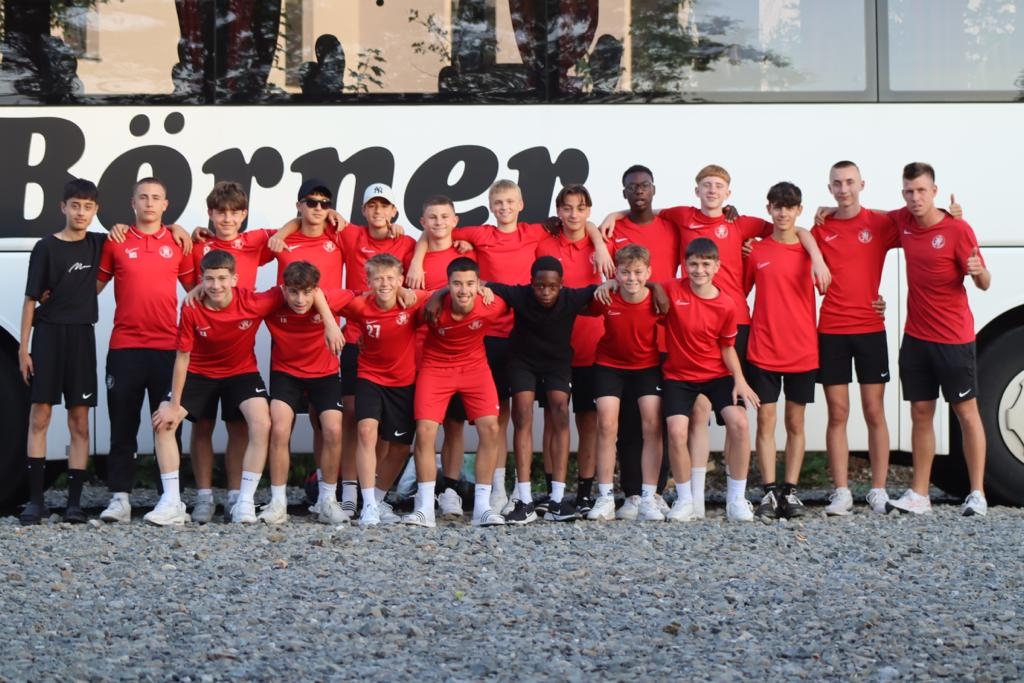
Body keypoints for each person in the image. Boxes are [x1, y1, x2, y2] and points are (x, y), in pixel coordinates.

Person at [405, 179, 610, 513]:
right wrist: (417, 260)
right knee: (495, 416)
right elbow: (436, 231)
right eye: (498, 203)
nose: (504, 208)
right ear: (491, 206)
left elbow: (579, 222)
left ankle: (529, 490)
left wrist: (599, 244)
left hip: (524, 338)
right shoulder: (480, 234)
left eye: (510, 202)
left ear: (521, 204)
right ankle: (496, 488)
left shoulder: (534, 232)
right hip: (487, 336)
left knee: (530, 414)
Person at [145, 250, 339, 525]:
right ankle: (171, 503)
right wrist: (174, 405)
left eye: (222, 278)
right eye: (209, 279)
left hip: (241, 372)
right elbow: (182, 357)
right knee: (164, 421)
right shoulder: (191, 307)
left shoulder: (254, 301)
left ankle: (244, 502)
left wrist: (330, 322)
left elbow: (305, 288)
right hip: (200, 372)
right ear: (201, 280)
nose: (216, 285)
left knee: (262, 423)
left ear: (234, 279)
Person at [888, 162, 990, 516]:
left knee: (966, 412)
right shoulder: (903, 221)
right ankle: (919, 495)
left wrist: (979, 272)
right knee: (920, 412)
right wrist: (828, 209)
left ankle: (977, 493)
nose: (915, 198)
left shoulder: (958, 229)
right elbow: (867, 217)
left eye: (921, 191)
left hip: (953, 339)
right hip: (916, 339)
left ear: (934, 192)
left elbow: (985, 282)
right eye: (909, 191)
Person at [97, 178, 195, 524]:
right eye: (143, 197)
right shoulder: (117, 241)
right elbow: (91, 288)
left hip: (167, 349)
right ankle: (120, 499)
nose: (149, 203)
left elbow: (197, 293)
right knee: (122, 425)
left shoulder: (178, 242)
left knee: (167, 425)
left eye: (156, 198)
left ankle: (170, 499)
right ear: (133, 202)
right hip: (124, 347)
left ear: (166, 205)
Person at [485, 255, 599, 523]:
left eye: (552, 287)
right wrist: (447, 293)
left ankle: (557, 500)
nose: (545, 292)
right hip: (522, 362)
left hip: (557, 363)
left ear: (562, 284)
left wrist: (613, 285)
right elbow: (484, 284)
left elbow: (602, 288)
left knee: (560, 412)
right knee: (522, 414)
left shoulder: (572, 297)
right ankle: (524, 499)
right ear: (531, 283)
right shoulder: (520, 295)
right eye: (540, 286)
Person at [813, 162, 899, 515]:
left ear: (862, 184)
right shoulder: (821, 227)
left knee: (874, 411)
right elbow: (797, 237)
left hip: (870, 328)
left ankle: (878, 490)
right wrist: (825, 216)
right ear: (829, 188)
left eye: (850, 182)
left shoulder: (879, 223)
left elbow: (915, 220)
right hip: (832, 329)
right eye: (837, 183)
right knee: (838, 413)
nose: (844, 189)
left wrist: (951, 215)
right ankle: (841, 492)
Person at [18, 179, 105, 525]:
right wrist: (23, 349)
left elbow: (142, 232)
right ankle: (36, 502)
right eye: (75, 205)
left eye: (87, 207)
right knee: (39, 416)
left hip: (81, 336)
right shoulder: (46, 247)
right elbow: (30, 299)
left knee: (79, 420)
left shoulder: (99, 243)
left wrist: (177, 229)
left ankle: (74, 504)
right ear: (63, 207)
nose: (81, 212)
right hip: (48, 336)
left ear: (96, 210)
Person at [186, 181, 274, 523]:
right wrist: (182, 231)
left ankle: (237, 496)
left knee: (240, 427)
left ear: (244, 214)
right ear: (210, 213)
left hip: (240, 357)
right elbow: (192, 286)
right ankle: (204, 497)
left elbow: (294, 231)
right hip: (202, 357)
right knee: (202, 426)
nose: (227, 218)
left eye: (234, 212)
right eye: (220, 212)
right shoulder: (198, 245)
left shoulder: (253, 242)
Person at [661, 237, 760, 522]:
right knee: (677, 430)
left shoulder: (726, 304)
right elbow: (644, 286)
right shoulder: (671, 288)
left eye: (706, 264)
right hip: (678, 376)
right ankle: (685, 500)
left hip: (717, 374)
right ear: (685, 265)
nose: (699, 270)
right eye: (693, 264)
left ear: (717, 266)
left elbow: (727, 347)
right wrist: (610, 284)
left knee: (739, 423)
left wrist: (740, 379)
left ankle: (737, 499)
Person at [404, 257, 509, 528]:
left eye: (470, 284)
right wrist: (436, 295)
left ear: (479, 284)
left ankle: (483, 508)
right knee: (425, 431)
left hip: (474, 368)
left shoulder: (491, 304)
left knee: (491, 428)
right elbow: (402, 307)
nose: (464, 290)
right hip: (436, 367)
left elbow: (519, 298)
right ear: (448, 284)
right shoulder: (432, 306)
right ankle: (425, 508)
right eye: (457, 284)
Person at [744, 182, 820, 520]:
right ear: (769, 209)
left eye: (789, 207)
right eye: (777, 206)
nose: (783, 213)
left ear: (799, 210)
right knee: (765, 420)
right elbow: (738, 292)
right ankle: (769, 492)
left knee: (795, 421)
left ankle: (790, 491)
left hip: (802, 350)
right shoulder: (756, 251)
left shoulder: (809, 249)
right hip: (764, 349)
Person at [338, 254, 428, 525]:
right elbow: (321, 296)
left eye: (390, 278)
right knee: (366, 432)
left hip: (403, 383)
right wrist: (331, 324)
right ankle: (368, 506)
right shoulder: (360, 305)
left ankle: (377, 500)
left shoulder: (412, 301)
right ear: (368, 282)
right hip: (370, 377)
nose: (385, 284)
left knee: (400, 448)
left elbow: (444, 293)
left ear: (400, 280)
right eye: (378, 279)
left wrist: (407, 291)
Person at [261, 261, 353, 525]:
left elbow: (368, 297)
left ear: (317, 290)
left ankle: (327, 500)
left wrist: (330, 321)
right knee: (279, 428)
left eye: (307, 292)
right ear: (284, 289)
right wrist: (197, 290)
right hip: (286, 373)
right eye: (293, 292)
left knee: (333, 429)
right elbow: (235, 299)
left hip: (324, 374)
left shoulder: (331, 298)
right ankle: (278, 502)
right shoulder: (272, 299)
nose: (300, 300)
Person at [535, 185, 605, 515]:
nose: (573, 214)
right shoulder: (544, 244)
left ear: (589, 211)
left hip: (593, 348)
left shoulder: (602, 244)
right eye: (567, 208)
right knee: (553, 419)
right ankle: (554, 492)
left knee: (588, 422)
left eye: (580, 208)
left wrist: (599, 242)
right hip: (553, 350)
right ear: (558, 211)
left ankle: (585, 493)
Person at [587, 245, 666, 522]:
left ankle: (648, 497)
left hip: (647, 367)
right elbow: (581, 305)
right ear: (616, 274)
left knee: (652, 425)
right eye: (625, 272)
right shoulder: (606, 297)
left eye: (638, 272)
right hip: (609, 366)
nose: (632, 278)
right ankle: (606, 497)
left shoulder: (658, 300)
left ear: (649, 272)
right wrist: (605, 285)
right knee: (607, 424)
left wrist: (655, 287)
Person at [417, 195, 476, 519]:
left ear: (455, 221)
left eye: (444, 217)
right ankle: (420, 492)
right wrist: (417, 256)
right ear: (423, 223)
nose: (438, 222)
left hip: (458, 354)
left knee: (454, 424)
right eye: (432, 217)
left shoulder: (467, 253)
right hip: (418, 351)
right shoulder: (414, 254)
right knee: (422, 427)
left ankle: (450, 490)